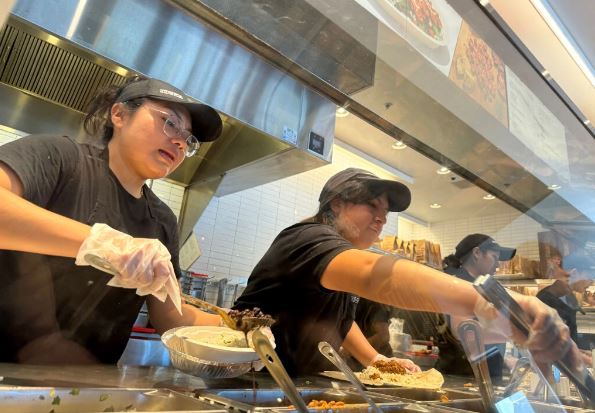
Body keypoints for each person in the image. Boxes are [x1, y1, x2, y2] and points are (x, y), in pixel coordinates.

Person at [234, 168, 580, 376]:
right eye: (372, 205)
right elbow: (374, 273)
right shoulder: (307, 238)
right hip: (249, 382)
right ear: (336, 204)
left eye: (385, 210)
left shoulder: (334, 259)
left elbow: (340, 319)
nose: (382, 217)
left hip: (290, 382)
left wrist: (376, 360)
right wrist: (489, 303)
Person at [0, 76, 226, 364]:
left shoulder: (162, 221)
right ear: (119, 114)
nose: (180, 141)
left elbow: (168, 315)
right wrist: (104, 244)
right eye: (170, 122)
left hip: (89, 391)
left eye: (189, 139)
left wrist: (235, 329)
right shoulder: (61, 159)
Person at [437, 234, 516, 381]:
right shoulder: (460, 284)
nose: (498, 265)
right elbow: (465, 331)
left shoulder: (482, 286)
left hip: (481, 376)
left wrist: (501, 360)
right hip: (463, 377)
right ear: (477, 253)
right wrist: (518, 334)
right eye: (494, 257)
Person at [538, 251, 593, 361]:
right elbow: (547, 345)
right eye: (589, 276)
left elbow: (568, 337)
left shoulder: (569, 296)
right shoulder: (544, 300)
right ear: (575, 273)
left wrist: (579, 352)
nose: (591, 282)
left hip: (569, 363)